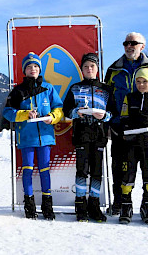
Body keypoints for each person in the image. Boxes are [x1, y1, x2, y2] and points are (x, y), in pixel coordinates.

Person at [3, 52, 63, 220]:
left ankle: (47, 204)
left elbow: (59, 108)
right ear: (25, 70)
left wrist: (52, 117)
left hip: (45, 136)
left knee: (45, 170)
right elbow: (7, 112)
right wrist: (24, 114)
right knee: (27, 170)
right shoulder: (18, 91)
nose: (33, 69)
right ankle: (29, 204)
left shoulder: (48, 88)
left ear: (40, 69)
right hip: (27, 137)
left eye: (36, 66)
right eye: (29, 67)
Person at [63, 53, 117, 222]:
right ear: (82, 69)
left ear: (97, 69)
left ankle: (94, 205)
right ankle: (80, 205)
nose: (89, 69)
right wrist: (75, 113)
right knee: (82, 171)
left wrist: (105, 116)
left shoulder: (106, 89)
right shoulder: (75, 88)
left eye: (92, 66)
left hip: (100, 135)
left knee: (96, 172)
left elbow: (114, 112)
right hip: (81, 135)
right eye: (86, 67)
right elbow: (66, 111)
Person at [105, 32, 148, 215]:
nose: (129, 46)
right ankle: (119, 203)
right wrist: (109, 123)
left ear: (142, 46)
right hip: (120, 127)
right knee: (120, 167)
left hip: (146, 128)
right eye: (126, 43)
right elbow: (106, 97)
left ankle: (146, 204)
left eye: (134, 43)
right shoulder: (114, 69)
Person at [118, 65, 148, 224]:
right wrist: (126, 131)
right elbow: (123, 118)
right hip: (131, 143)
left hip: (147, 144)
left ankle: (146, 204)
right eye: (138, 81)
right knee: (128, 174)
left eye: (145, 81)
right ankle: (126, 205)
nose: (141, 84)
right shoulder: (129, 98)